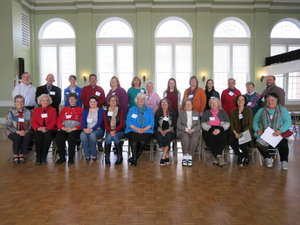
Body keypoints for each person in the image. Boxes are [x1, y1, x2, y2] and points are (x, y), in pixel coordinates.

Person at [253, 93, 291, 170]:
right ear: (265, 101)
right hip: (265, 134)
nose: (270, 102)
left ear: (276, 101)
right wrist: (258, 130)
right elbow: (255, 121)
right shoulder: (261, 110)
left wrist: (280, 130)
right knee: (258, 142)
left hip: (279, 134)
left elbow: (288, 122)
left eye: (272, 100)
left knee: (283, 143)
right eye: (268, 100)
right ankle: (268, 158)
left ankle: (284, 161)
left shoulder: (282, 110)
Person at [125, 93, 154, 166]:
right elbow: (128, 121)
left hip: (146, 130)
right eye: (139, 99)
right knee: (134, 140)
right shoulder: (132, 109)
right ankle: (134, 159)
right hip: (133, 129)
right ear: (136, 100)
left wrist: (144, 129)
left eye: (142, 99)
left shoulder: (149, 110)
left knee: (143, 140)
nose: (141, 100)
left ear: (145, 100)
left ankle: (135, 157)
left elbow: (151, 122)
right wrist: (136, 129)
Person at [55, 93, 83, 165]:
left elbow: (82, 123)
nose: (72, 100)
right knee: (59, 136)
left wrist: (73, 128)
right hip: (65, 128)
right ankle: (62, 157)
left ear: (76, 100)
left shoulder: (80, 110)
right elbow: (58, 121)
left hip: (75, 129)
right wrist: (63, 128)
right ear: (68, 100)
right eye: (70, 99)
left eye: (73, 99)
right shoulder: (64, 109)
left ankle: (71, 157)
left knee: (72, 137)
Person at [201, 98, 230, 167]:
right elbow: (202, 123)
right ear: (209, 105)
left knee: (222, 137)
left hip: (221, 128)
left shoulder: (223, 112)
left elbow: (227, 123)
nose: (214, 105)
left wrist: (220, 129)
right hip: (209, 129)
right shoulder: (206, 112)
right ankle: (219, 156)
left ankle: (217, 156)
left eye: (215, 103)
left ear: (218, 104)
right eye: (212, 103)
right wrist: (211, 130)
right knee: (210, 137)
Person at [228, 95, 255, 166]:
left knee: (242, 143)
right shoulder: (232, 112)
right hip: (235, 132)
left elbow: (250, 125)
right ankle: (240, 155)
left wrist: (241, 134)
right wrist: (235, 132)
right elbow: (232, 124)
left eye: (242, 100)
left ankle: (246, 156)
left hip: (246, 132)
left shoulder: (249, 111)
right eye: (239, 100)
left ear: (245, 101)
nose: (240, 101)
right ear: (236, 101)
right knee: (230, 140)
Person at [31, 94, 57, 165]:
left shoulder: (53, 110)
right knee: (38, 137)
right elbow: (33, 122)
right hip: (39, 129)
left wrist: (46, 128)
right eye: (44, 100)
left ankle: (43, 157)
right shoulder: (36, 110)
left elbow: (53, 121)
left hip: (50, 129)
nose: (46, 102)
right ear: (40, 101)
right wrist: (39, 128)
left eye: (47, 100)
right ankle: (38, 157)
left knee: (47, 136)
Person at [6, 95, 32, 164]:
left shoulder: (28, 111)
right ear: (15, 103)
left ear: (24, 102)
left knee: (28, 137)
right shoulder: (11, 111)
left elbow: (30, 124)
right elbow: (9, 125)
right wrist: (17, 132)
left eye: (21, 101)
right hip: (13, 132)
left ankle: (21, 155)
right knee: (17, 137)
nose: (20, 103)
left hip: (25, 131)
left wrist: (26, 131)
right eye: (18, 101)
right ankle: (15, 155)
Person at [177, 98, 201, 167]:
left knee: (195, 138)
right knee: (185, 138)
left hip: (194, 131)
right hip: (183, 131)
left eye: (190, 104)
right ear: (184, 105)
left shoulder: (196, 113)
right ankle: (184, 157)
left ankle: (190, 157)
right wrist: (186, 129)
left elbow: (198, 125)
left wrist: (193, 130)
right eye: (186, 104)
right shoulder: (181, 113)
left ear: (192, 105)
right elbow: (178, 124)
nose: (188, 105)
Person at [80, 96, 105, 162]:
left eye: (94, 102)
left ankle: (94, 153)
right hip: (87, 129)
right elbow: (83, 122)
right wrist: (84, 129)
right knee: (82, 135)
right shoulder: (85, 112)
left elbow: (99, 122)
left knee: (92, 135)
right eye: (91, 102)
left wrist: (92, 129)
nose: (92, 103)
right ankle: (87, 154)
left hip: (98, 130)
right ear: (89, 103)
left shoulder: (101, 111)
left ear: (97, 103)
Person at [154, 98, 177, 165]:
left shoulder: (173, 113)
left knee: (168, 136)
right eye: (162, 103)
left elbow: (174, 124)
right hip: (159, 130)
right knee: (158, 136)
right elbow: (156, 124)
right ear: (160, 105)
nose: (164, 104)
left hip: (170, 131)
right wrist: (161, 130)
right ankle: (166, 155)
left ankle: (163, 156)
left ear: (168, 104)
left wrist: (167, 130)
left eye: (165, 103)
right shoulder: (157, 113)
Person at [103, 95, 125, 165]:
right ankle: (107, 157)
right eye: (111, 100)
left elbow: (121, 124)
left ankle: (120, 156)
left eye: (114, 100)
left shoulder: (120, 111)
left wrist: (114, 131)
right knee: (109, 137)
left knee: (115, 136)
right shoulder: (105, 112)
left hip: (119, 131)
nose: (113, 102)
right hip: (109, 131)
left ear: (116, 102)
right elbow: (106, 125)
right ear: (109, 102)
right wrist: (110, 131)